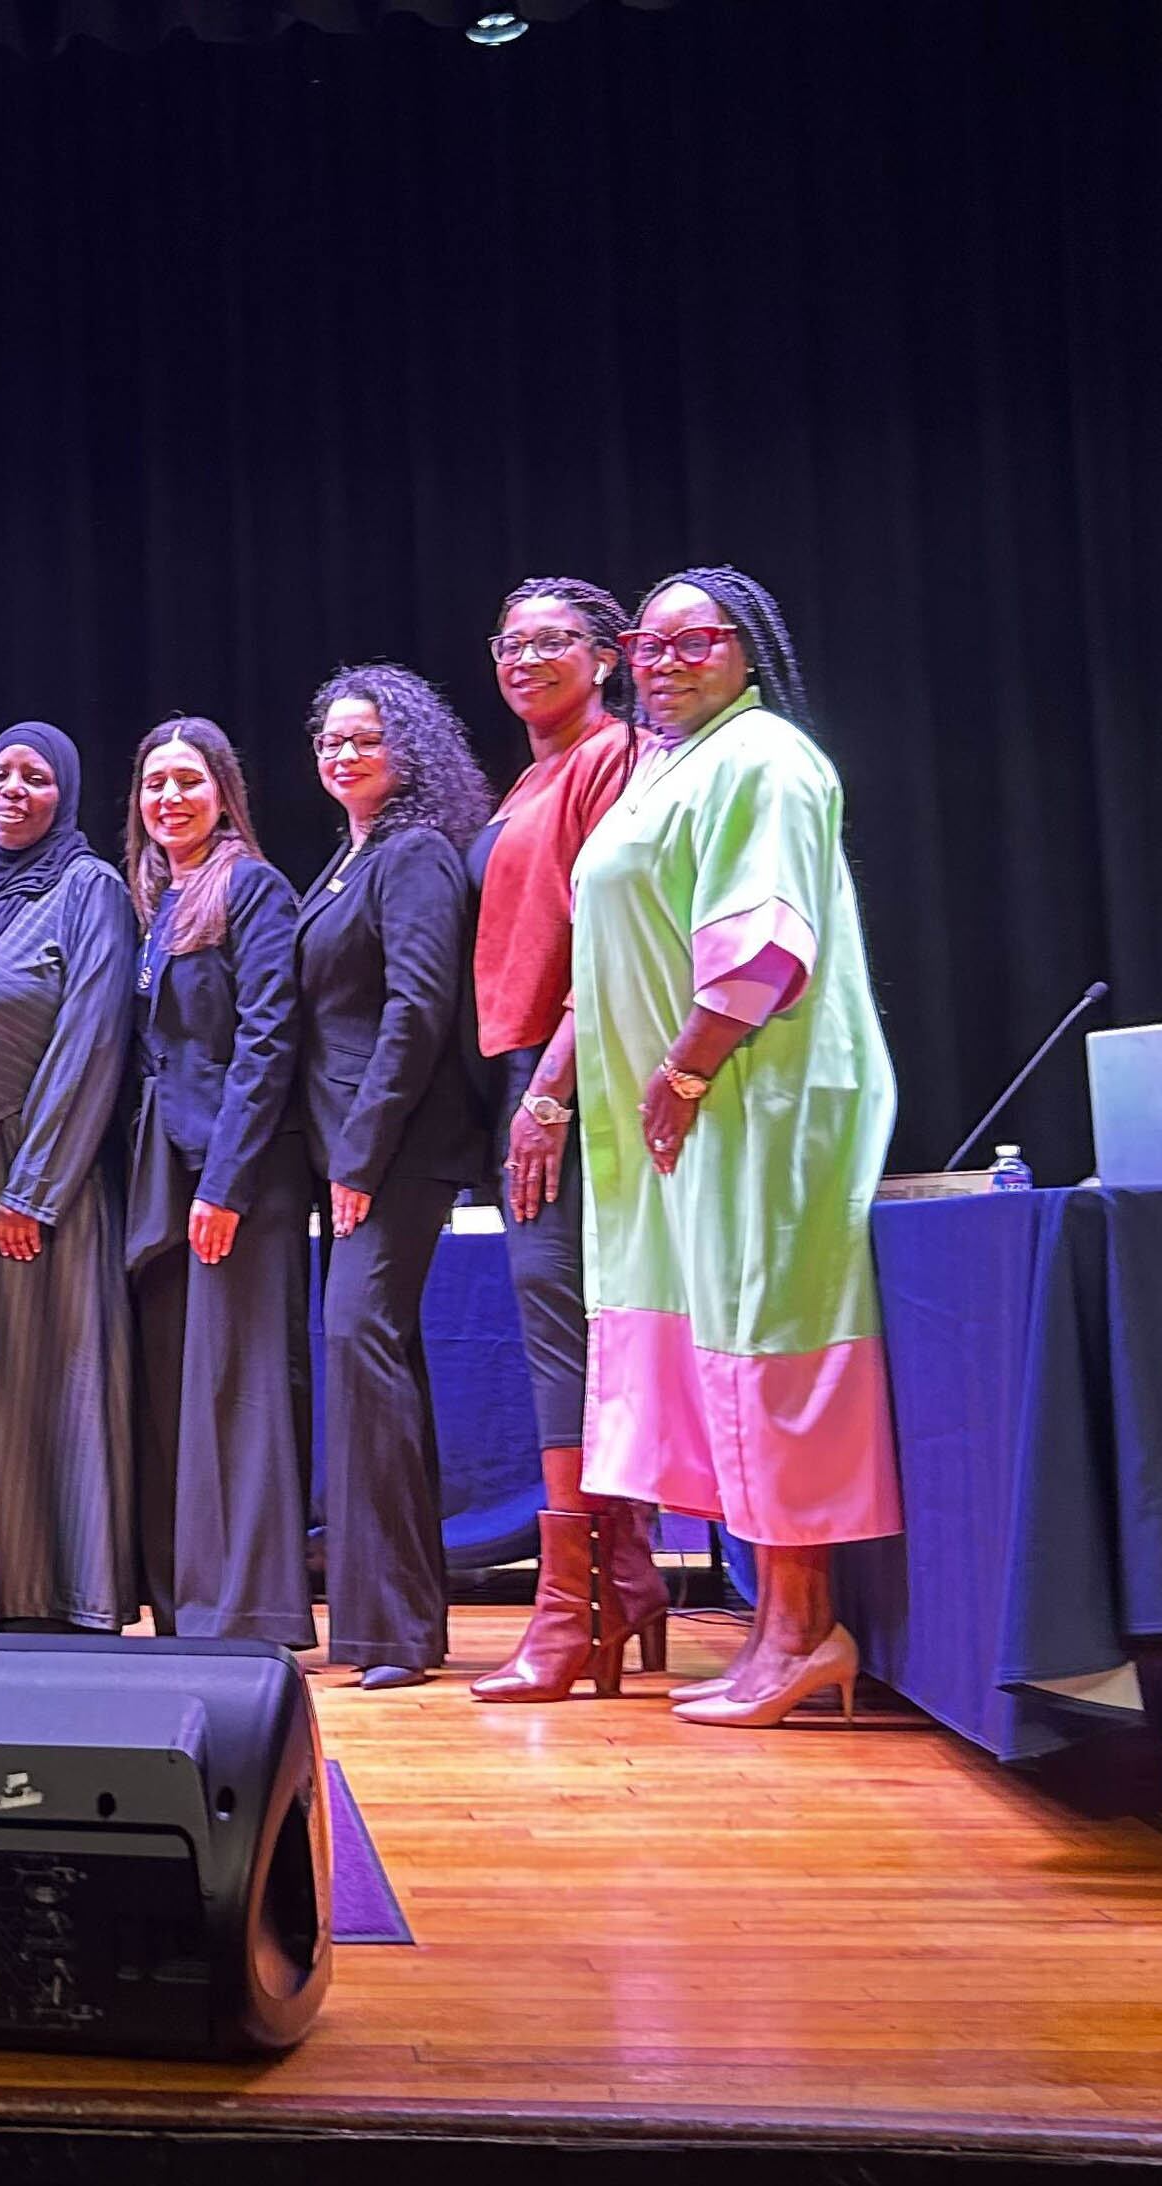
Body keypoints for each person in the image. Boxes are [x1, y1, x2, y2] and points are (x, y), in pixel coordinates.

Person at [572, 563, 902, 1727]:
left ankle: (804, 1632)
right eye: (642, 645)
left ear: (747, 648)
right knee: (720, 1338)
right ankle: (774, 1630)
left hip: (756, 1091)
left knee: (766, 1337)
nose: (659, 661)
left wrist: (685, 1065)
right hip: (702, 1102)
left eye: (688, 641)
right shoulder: (681, 763)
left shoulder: (762, 758)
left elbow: (763, 947)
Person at [463, 581, 675, 1703]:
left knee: (562, 1329)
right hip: (527, 1066)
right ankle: (626, 1574)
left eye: (551, 640)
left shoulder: (614, 755)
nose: (525, 657)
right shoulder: (533, 774)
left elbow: (614, 932)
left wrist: (550, 1088)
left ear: (603, 657)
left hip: (572, 1070)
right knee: (567, 1324)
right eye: (509, 642)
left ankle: (567, 1611)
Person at [291, 671, 494, 1688]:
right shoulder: (348, 856)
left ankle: (395, 1631)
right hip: (347, 1159)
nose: (340, 754)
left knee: (357, 1350)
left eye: (361, 738)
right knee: (378, 1363)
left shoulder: (413, 854)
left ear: (407, 746)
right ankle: (396, 1624)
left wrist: (360, 1154)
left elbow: (417, 1010)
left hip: (392, 1154)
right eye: (327, 741)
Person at [0, 722, 137, 1631]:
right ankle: (5, 1590)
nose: (12, 789)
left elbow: (91, 1041)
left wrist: (36, 1186)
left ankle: (71, 1592)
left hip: (39, 1175)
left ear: (69, 795)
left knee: (57, 1377)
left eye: (36, 776)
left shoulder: (87, 888)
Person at [122, 718, 310, 1649]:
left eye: (188, 782)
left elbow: (269, 1043)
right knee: (180, 1396)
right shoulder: (162, 900)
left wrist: (227, 1183)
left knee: (239, 1392)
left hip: (236, 1177)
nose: (170, 800)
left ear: (224, 792)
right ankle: (190, 1605)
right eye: (155, 784)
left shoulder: (253, 888)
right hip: (165, 1172)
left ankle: (252, 1611)